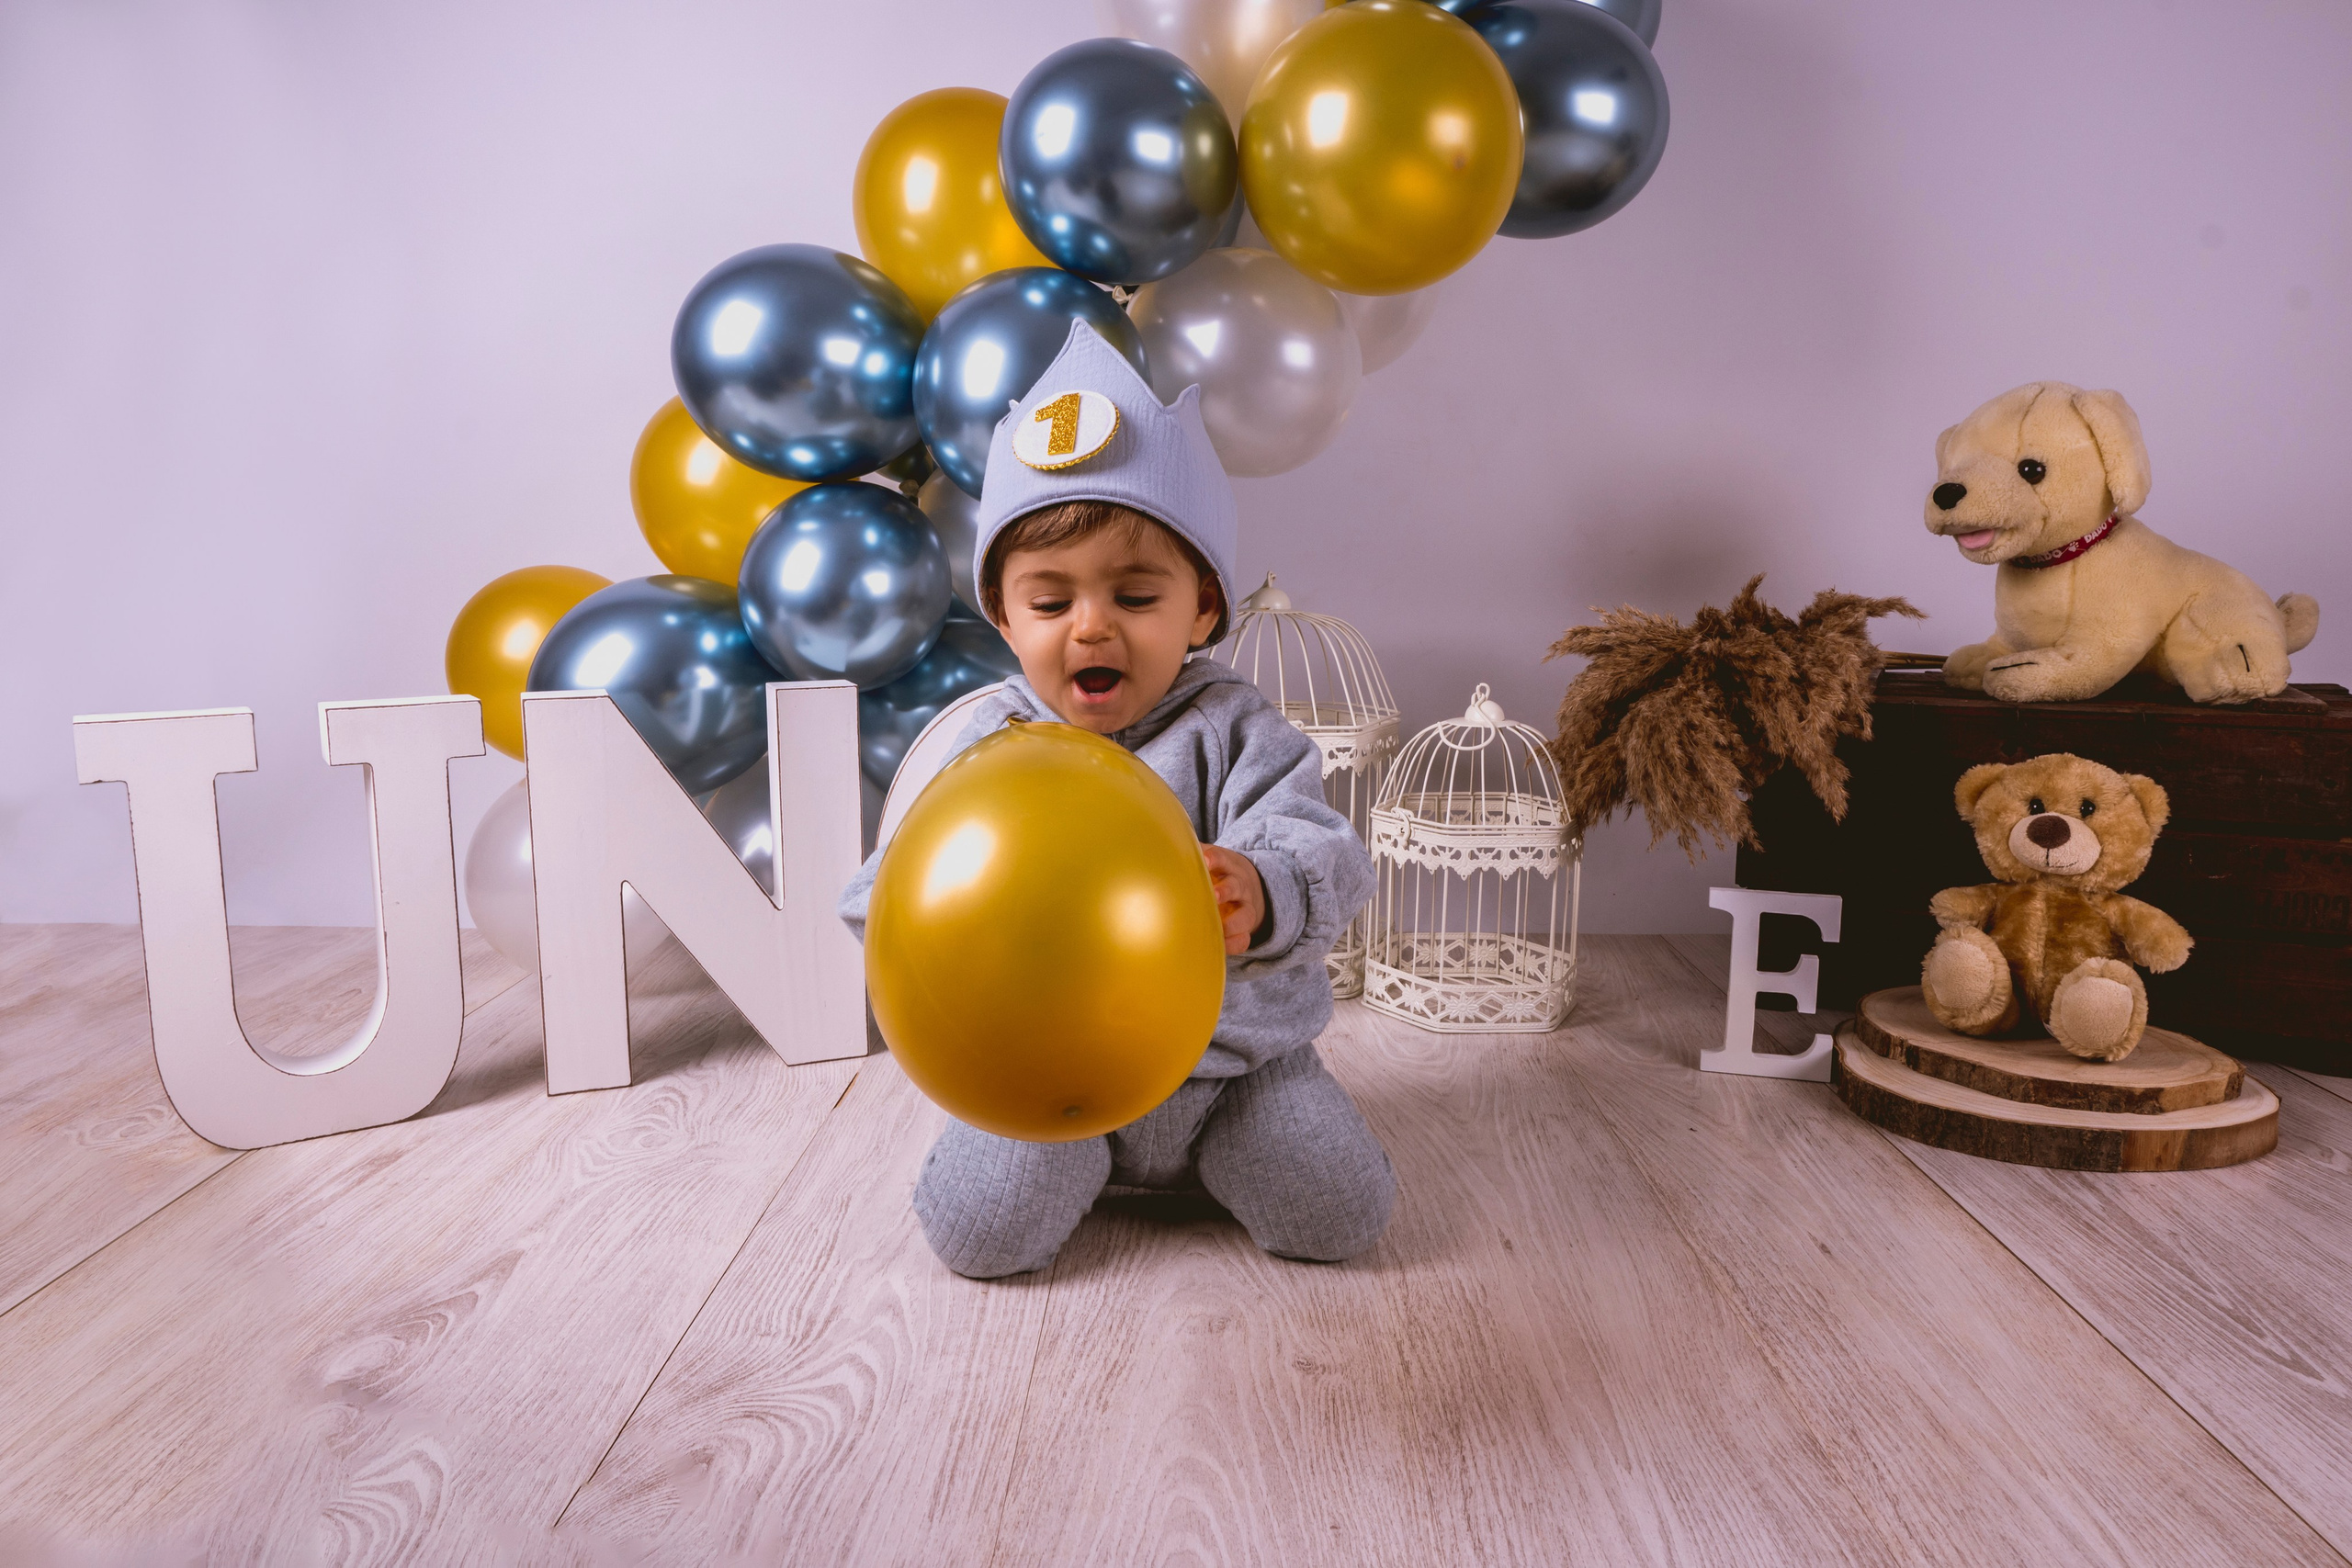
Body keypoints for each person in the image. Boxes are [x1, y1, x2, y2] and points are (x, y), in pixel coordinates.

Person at [839, 320, 1394, 1279]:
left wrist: (1262, 889)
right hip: (1045, 1086)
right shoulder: (987, 750)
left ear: (1203, 607)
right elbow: (883, 893)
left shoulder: (1234, 726)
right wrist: (925, 924)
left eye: (1136, 598)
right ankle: (1077, 1169)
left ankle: (1225, 1165)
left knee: (1341, 1216)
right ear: (1005, 617)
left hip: (1233, 1076)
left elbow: (1327, 849)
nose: (1091, 627)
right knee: (976, 1239)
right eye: (1051, 604)